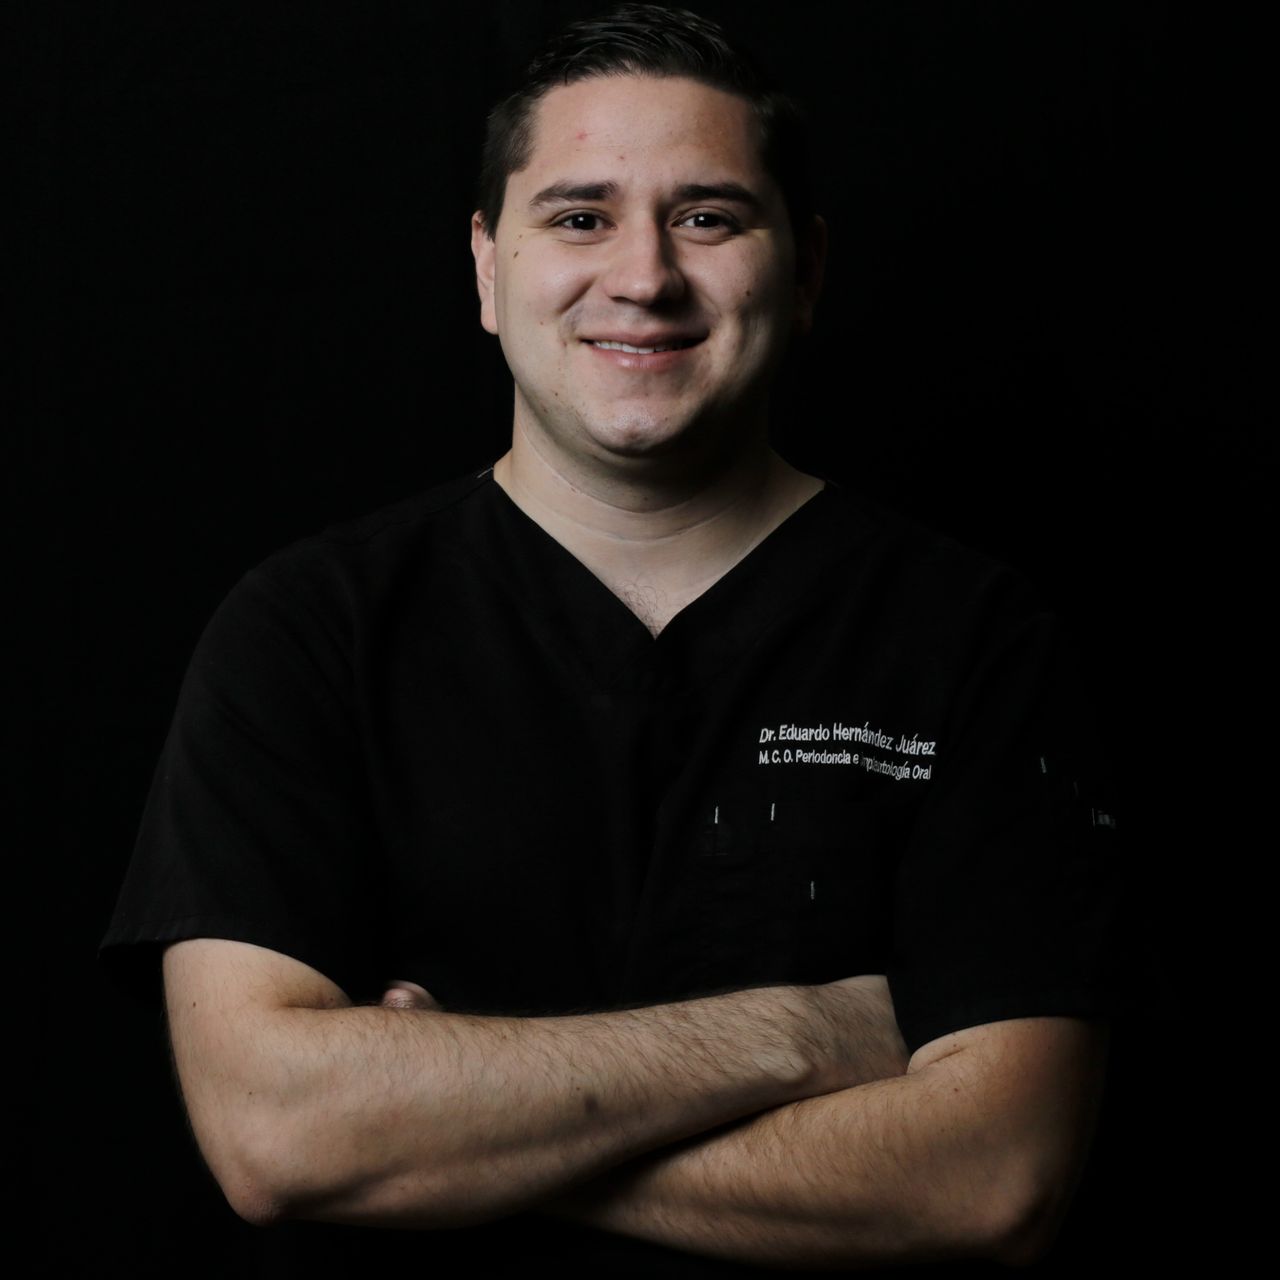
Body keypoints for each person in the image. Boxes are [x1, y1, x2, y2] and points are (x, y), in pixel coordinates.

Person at [102, 5, 1117, 1273]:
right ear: (488, 268)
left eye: (708, 217)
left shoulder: (969, 637)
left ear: (804, 268)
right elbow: (276, 1132)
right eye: (579, 217)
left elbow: (993, 1173)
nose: (643, 275)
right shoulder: (310, 630)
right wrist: (797, 1036)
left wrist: (439, 1122)